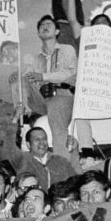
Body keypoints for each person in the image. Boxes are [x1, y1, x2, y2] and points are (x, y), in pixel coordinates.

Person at [10, 15, 79, 159]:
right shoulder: (36, 59)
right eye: (41, 26)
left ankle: (62, 161)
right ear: (38, 34)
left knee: (57, 120)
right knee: (20, 78)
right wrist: (15, 79)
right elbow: (27, 77)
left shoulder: (67, 50)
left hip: (63, 96)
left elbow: (71, 73)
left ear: (57, 32)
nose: (45, 27)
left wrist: (43, 77)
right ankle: (21, 109)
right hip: (42, 99)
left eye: (49, 24)